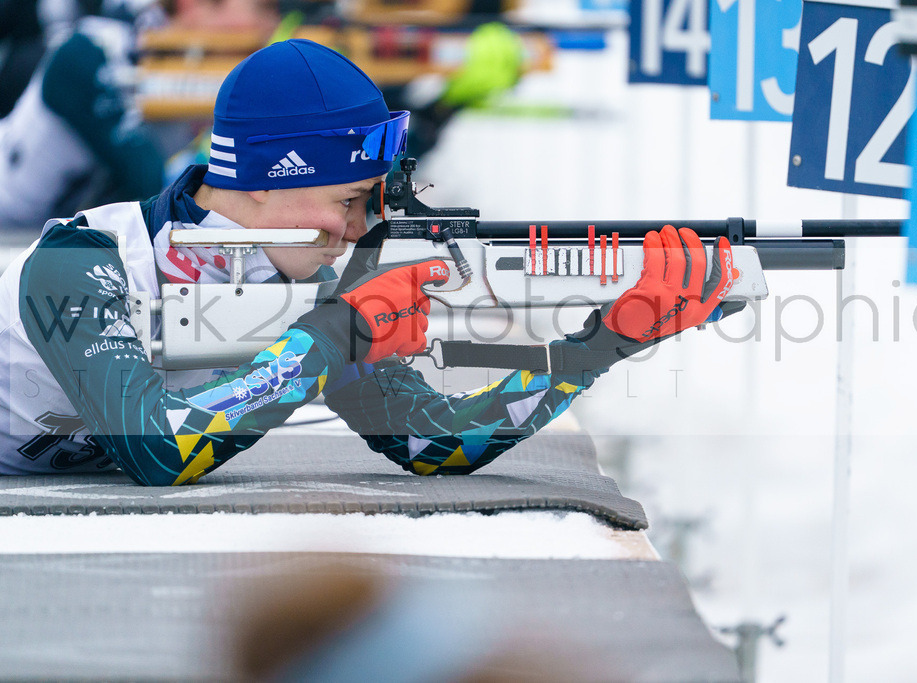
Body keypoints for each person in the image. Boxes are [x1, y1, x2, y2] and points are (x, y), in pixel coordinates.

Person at [0, 39, 733, 484]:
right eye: (349, 201)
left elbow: (432, 441)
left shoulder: (306, 286)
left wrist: (602, 342)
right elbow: (156, 448)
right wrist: (333, 336)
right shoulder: (84, 260)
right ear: (268, 177)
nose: (360, 230)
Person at [0, 0, 281, 229]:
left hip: (52, 230)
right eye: (263, 9)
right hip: (14, 224)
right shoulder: (90, 51)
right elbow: (150, 184)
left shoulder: (187, 63)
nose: (271, 25)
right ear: (193, 5)